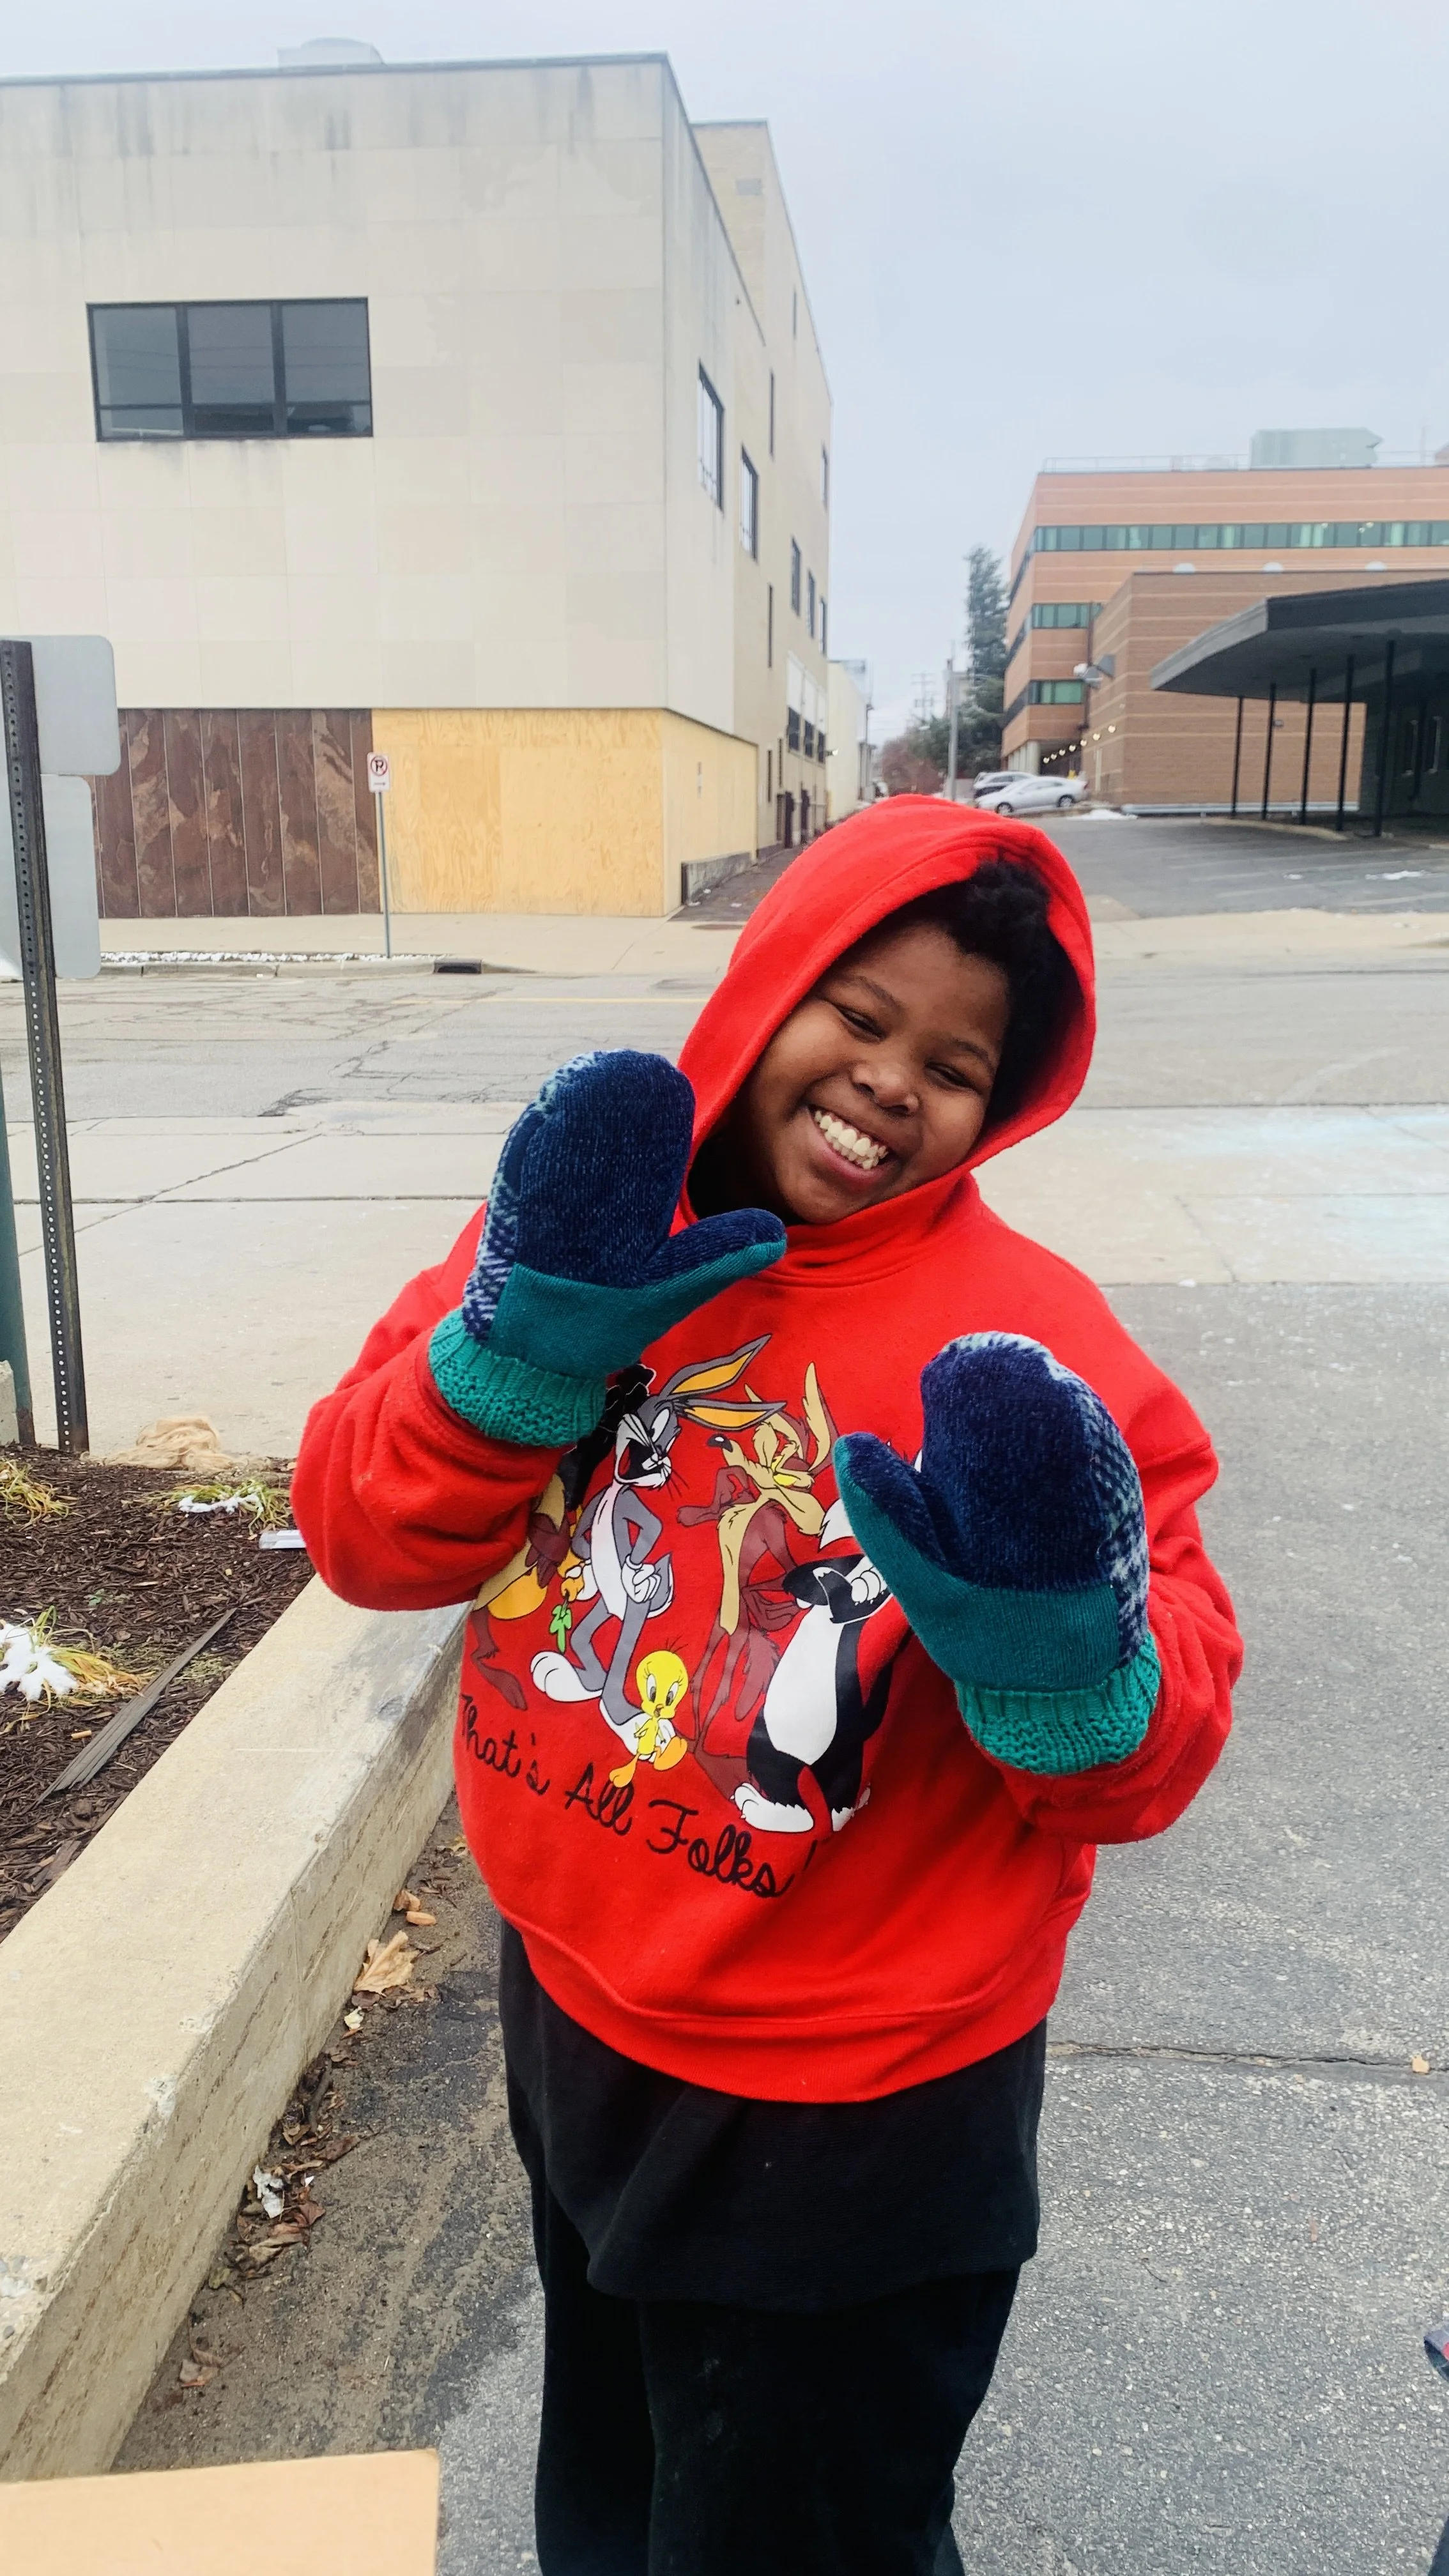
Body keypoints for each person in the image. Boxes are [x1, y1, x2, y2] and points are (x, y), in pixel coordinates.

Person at [294, 798, 1241, 2576]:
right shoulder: (586, 1234)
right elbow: (365, 1535)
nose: (895, 1081)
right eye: (860, 1014)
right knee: (618, 2485)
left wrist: (1063, 1660)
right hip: (579, 2004)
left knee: (798, 2531)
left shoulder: (1028, 1359)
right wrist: (513, 1358)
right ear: (764, 986)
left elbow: (1148, 1751)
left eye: (956, 1066)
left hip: (859, 2100)